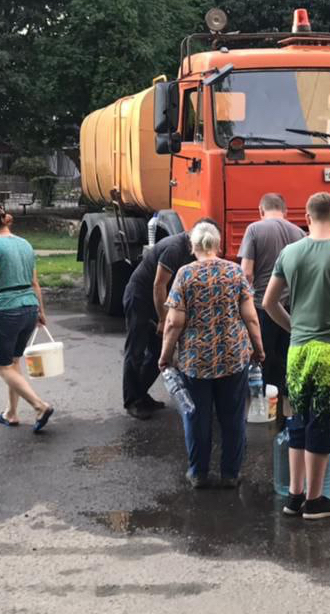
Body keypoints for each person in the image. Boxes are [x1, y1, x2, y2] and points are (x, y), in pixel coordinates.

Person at [263, 192, 330, 520]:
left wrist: (295, 328)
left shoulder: (290, 253)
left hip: (298, 352)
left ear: (306, 219)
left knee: (297, 420)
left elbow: (268, 302)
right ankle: (316, 499)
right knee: (324, 423)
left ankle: (294, 496)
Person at [158, 221, 265, 489]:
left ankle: (198, 473)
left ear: (193, 247)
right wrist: (258, 348)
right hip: (233, 358)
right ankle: (230, 474)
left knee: (196, 416)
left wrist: (165, 355)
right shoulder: (234, 272)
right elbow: (250, 317)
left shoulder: (184, 275)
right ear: (218, 245)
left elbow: (173, 323)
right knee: (233, 417)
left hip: (196, 362)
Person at [0, 206, 54, 433]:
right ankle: (11, 413)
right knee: (13, 363)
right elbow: (34, 282)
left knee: (1, 367)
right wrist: (41, 311)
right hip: (29, 308)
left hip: (8, 310)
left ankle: (39, 406)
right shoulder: (25, 244)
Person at [120, 220, 217, 420]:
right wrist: (164, 320)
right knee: (136, 350)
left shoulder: (196, 249)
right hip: (140, 296)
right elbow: (158, 285)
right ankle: (132, 401)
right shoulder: (175, 248)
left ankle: (141, 394)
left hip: (160, 300)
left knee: (158, 350)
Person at [240, 193, 305, 397]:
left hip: (262, 307)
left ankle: (265, 407)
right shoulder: (299, 233)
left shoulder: (254, 229)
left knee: (262, 359)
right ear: (285, 212)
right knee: (289, 359)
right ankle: (290, 409)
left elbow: (246, 272)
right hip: (290, 309)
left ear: (261, 211)